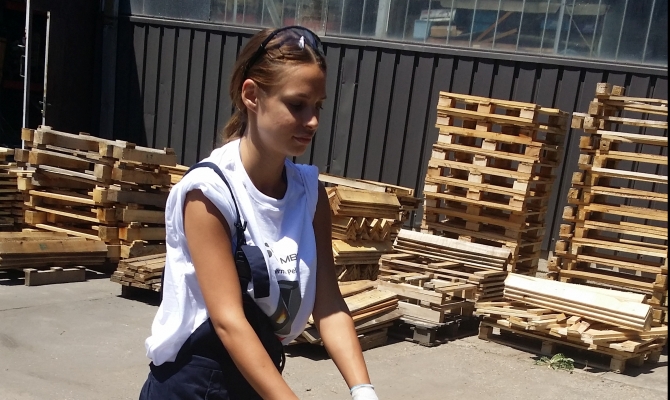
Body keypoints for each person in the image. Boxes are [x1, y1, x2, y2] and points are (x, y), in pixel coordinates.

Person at [139, 26, 380, 400]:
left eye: (318, 106)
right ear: (251, 95)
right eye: (297, 105)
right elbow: (229, 321)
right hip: (194, 384)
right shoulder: (210, 193)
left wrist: (363, 390)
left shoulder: (309, 194)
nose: (313, 121)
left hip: (256, 377)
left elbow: (329, 305)